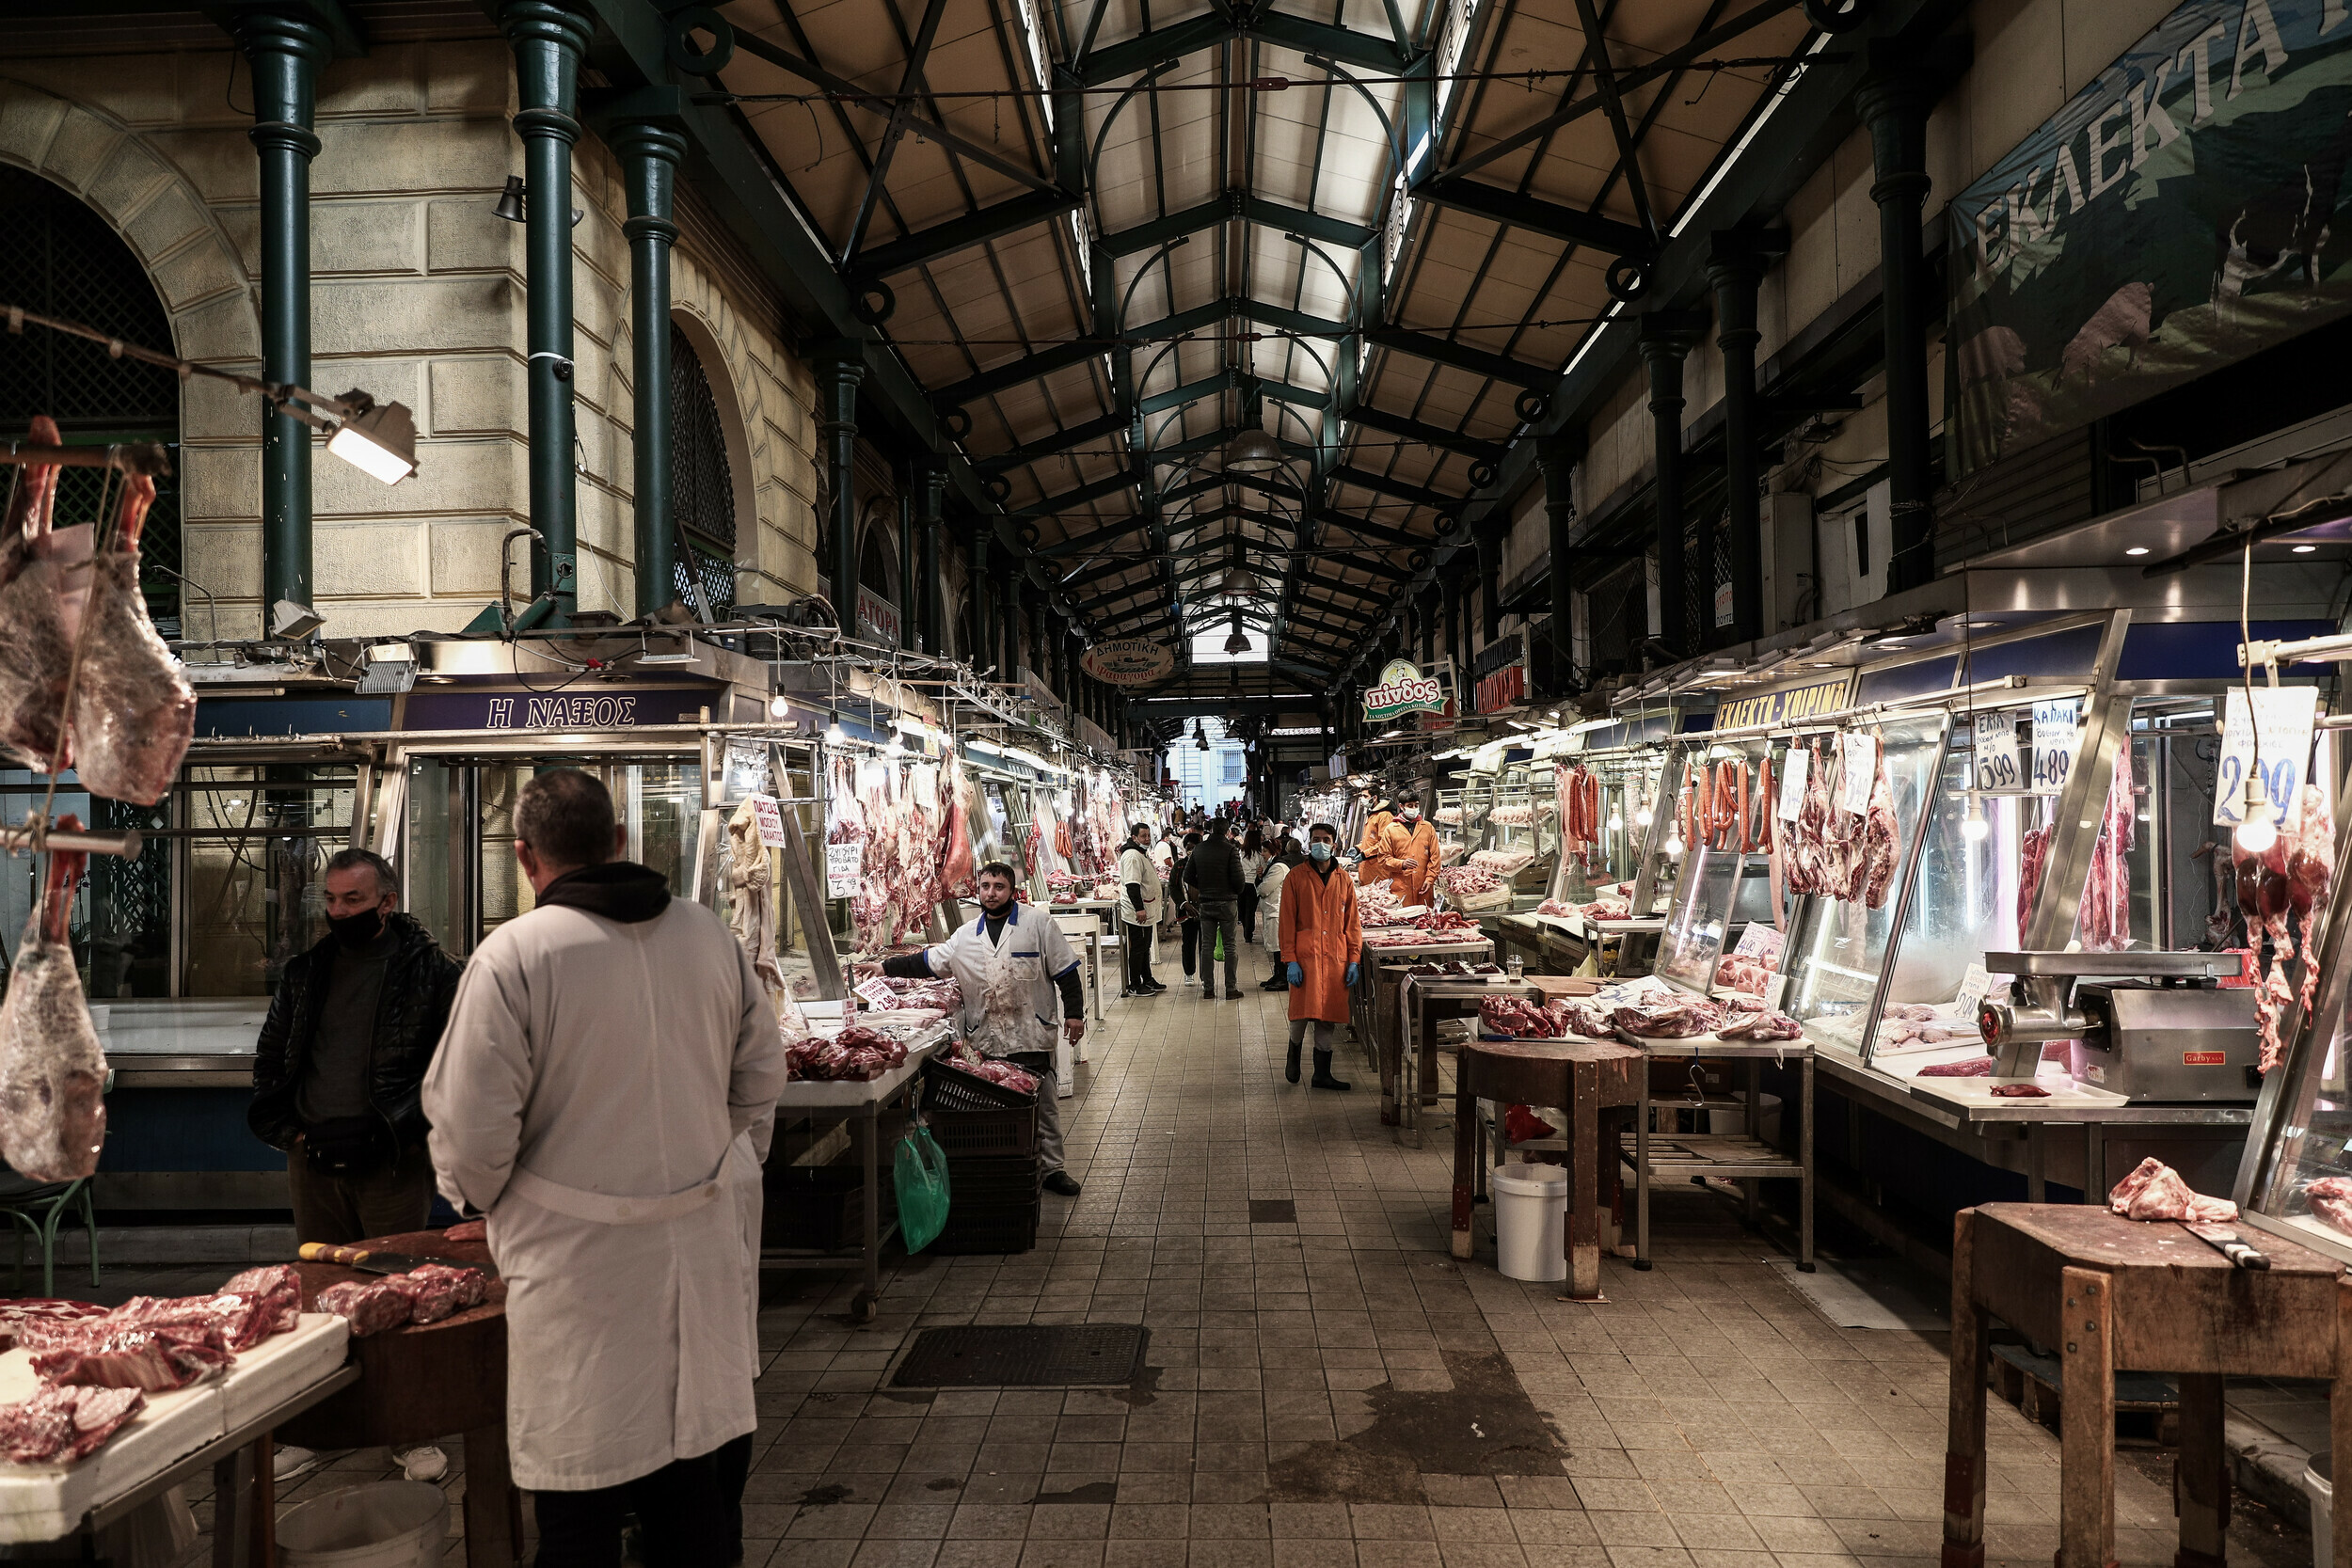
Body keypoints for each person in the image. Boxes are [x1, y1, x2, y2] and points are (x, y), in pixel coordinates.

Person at [422, 769, 786, 1567]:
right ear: (620, 843)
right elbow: (762, 1079)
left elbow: (470, 1140)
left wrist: (505, 1200)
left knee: (582, 1516)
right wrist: (698, 1158)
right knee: (698, 1510)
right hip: (699, 1266)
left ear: (524, 857)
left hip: (577, 1283)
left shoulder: (513, 956)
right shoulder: (706, 936)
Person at [248, 847, 463, 1483]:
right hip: (312, 1160)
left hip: (391, 1161)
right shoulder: (305, 972)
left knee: (395, 1293)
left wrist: (392, 1128)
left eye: (353, 900)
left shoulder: (433, 972)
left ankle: (412, 1431)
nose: (339, 911)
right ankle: (322, 1426)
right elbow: (271, 1057)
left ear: (386, 902)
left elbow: (449, 1067)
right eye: (332, 900)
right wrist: (289, 1130)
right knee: (318, 1296)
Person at [882, 863, 1087, 1196]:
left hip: (1031, 1033)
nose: (991, 893)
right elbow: (926, 962)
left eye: (999, 887)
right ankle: (1008, 1166)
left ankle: (1053, 1169)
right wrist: (883, 967)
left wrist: (1075, 1015)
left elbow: (1066, 972)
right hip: (988, 1037)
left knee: (1044, 1105)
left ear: (1012, 891)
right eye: (986, 886)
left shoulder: (1038, 924)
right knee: (997, 1110)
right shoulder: (965, 936)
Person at [1279, 823, 1359, 1088]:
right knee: (1302, 1011)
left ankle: (1321, 1074)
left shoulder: (1344, 879)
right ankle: (1293, 1055)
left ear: (1334, 844)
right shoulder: (1296, 877)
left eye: (1325, 839)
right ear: (1308, 843)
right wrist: (1290, 959)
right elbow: (1286, 922)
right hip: (1306, 957)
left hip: (1335, 957)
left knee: (1328, 1015)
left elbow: (1353, 924)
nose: (1320, 844)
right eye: (1316, 839)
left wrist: (1354, 960)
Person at [1184, 818, 1248, 1000]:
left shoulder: (1199, 849)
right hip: (1227, 903)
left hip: (1206, 903)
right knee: (1230, 945)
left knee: (1206, 946)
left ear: (1211, 830)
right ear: (1227, 832)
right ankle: (1230, 988)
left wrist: (1203, 886)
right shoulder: (1230, 850)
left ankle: (1208, 988)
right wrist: (1233, 890)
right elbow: (1239, 881)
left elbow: (1188, 875)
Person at [1117, 822, 1166, 997]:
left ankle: (1148, 979)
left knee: (1145, 946)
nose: (1147, 839)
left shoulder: (1139, 853)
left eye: (1148, 835)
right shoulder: (1131, 856)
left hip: (1145, 907)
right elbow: (1132, 885)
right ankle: (1135, 985)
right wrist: (1139, 909)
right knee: (1138, 947)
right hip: (1137, 911)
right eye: (1143, 836)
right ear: (1134, 837)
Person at [1256, 836, 1303, 991]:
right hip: (1272, 910)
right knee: (1274, 945)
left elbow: (1264, 889)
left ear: (1273, 852)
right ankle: (1277, 974)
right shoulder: (1273, 866)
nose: (1262, 854)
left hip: (1277, 910)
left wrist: (1260, 883)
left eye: (1264, 851)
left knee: (1278, 946)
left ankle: (1282, 978)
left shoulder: (1278, 867)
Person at [1379, 797, 1442, 906]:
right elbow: (1383, 859)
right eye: (1410, 806)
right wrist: (1401, 863)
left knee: (1425, 919)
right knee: (1403, 920)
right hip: (1401, 888)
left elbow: (1435, 857)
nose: (1414, 808)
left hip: (1423, 886)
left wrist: (1430, 878)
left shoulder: (1428, 827)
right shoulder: (1390, 829)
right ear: (1401, 806)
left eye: (1416, 805)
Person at [1173, 831, 1202, 982]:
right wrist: (1184, 904)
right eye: (1188, 848)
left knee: (1205, 945)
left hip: (1204, 911)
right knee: (1189, 943)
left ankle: (1205, 976)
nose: (1191, 851)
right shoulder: (1179, 866)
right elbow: (1174, 887)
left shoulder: (1206, 864)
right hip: (1187, 912)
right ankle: (1189, 973)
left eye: (1194, 847)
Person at [1237, 826, 1268, 944]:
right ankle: (1248, 934)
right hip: (1253, 885)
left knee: (1243, 909)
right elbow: (1263, 869)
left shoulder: (1241, 852)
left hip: (1241, 884)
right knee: (1250, 911)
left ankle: (1246, 930)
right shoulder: (1260, 854)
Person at [1355, 798, 1395, 884]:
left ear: (1374, 798)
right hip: (1367, 870)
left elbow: (1384, 843)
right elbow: (1369, 841)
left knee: (1378, 895)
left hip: (1378, 870)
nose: (1362, 799)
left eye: (1365, 796)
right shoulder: (1372, 815)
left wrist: (1365, 854)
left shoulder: (1385, 816)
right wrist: (1357, 848)